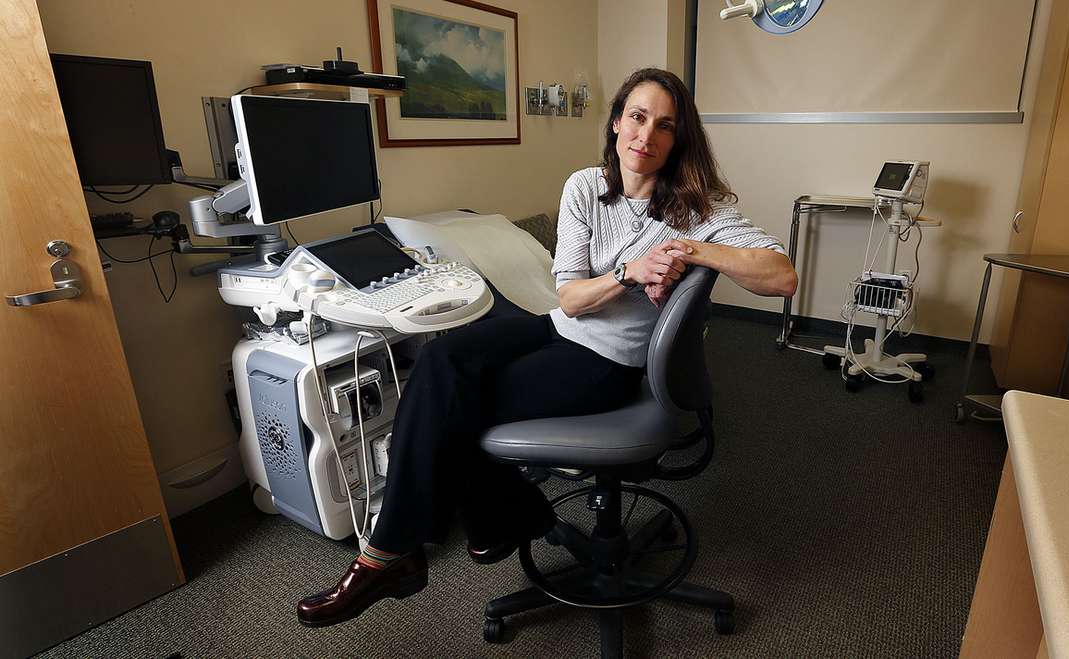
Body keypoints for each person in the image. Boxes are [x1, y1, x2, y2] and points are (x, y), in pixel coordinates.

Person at [296, 67, 797, 628]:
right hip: (561, 323)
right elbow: (572, 297)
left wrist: (690, 248)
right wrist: (630, 274)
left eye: (665, 126)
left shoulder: (699, 209)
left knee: (457, 404)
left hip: (607, 361)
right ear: (614, 122)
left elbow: (781, 277)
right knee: (441, 359)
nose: (646, 136)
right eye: (636, 117)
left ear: (679, 139)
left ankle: (394, 551)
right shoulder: (584, 186)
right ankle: (494, 520)